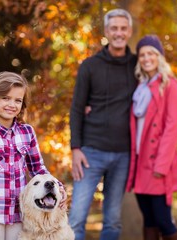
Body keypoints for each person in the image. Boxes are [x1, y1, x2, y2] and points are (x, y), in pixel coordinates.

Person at [0, 71, 66, 240]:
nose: (12, 104)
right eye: (6, 98)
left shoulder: (27, 132)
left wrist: (58, 187)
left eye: (18, 100)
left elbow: (37, 169)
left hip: (19, 214)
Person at [69, 8, 137, 240]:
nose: (119, 32)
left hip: (123, 154)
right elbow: (77, 108)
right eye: (114, 28)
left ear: (129, 31)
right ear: (107, 31)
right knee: (76, 218)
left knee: (113, 221)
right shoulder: (89, 66)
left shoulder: (138, 66)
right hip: (90, 153)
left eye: (123, 28)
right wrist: (75, 148)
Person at [125, 35, 177, 240]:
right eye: (142, 54)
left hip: (159, 164)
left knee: (163, 220)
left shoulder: (171, 86)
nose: (146, 58)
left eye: (151, 53)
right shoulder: (140, 87)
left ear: (159, 57)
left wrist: (161, 166)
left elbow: (172, 130)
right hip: (140, 161)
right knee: (149, 220)